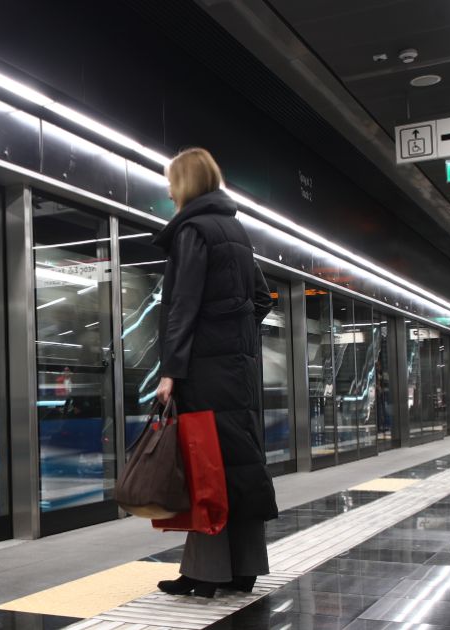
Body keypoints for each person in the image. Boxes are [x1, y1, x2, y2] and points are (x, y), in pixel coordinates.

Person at [151, 148, 276, 598]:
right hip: (238, 371)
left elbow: (183, 305)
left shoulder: (193, 231)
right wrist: (234, 336)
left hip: (203, 371)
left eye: (172, 182)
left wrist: (171, 370)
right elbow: (261, 299)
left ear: (185, 183)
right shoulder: (235, 231)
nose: (169, 191)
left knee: (206, 469)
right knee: (238, 464)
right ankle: (244, 569)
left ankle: (205, 575)